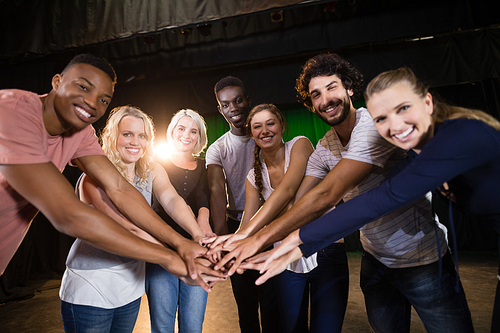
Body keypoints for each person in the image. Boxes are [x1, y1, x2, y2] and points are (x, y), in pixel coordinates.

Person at [213, 54, 474, 333]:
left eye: (332, 87)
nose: (325, 99)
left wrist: (260, 239)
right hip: (376, 262)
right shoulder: (325, 146)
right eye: (316, 94)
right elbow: (301, 201)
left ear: (349, 88)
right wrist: (247, 238)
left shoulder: (371, 128)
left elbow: (327, 194)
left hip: (423, 261)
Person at [0, 54, 213, 291]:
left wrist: (182, 242)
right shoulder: (13, 110)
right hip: (92, 280)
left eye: (103, 99)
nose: (92, 103)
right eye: (83, 87)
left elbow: (120, 188)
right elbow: (69, 215)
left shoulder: (80, 133)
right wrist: (172, 257)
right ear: (57, 81)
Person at [60, 106, 220, 332]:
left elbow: (174, 201)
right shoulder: (92, 178)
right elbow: (127, 230)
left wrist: (197, 235)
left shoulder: (151, 170)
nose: (134, 141)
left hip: (130, 287)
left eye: (141, 135)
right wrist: (178, 254)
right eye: (127, 134)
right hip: (92, 286)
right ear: (113, 136)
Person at [211, 103, 347, 332]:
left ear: (282, 126)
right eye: (257, 126)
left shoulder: (300, 144)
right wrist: (227, 244)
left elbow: (288, 191)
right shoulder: (254, 176)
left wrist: (246, 234)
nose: (264, 130)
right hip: (284, 255)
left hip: (325, 249)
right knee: (292, 328)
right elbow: (247, 224)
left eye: (270, 123)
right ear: (251, 134)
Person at [206, 77, 281, 333]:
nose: (233, 108)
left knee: (273, 304)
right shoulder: (217, 149)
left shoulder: (265, 136)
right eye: (226, 104)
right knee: (246, 307)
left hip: (272, 228)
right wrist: (224, 240)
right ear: (220, 109)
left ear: (248, 100)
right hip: (237, 228)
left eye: (238, 100)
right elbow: (217, 193)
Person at [146, 109, 215, 333]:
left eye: (193, 131)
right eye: (181, 128)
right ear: (172, 131)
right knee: (162, 324)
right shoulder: (155, 163)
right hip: (161, 248)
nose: (187, 135)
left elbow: (203, 195)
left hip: (197, 248)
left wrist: (203, 222)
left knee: (193, 325)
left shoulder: (204, 165)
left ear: (199, 136)